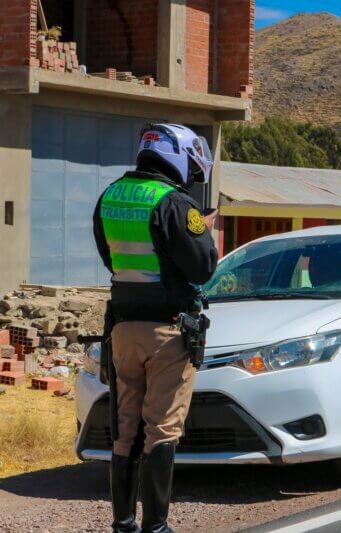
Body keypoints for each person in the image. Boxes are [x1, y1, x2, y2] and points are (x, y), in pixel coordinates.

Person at [93, 123, 218, 532]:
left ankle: (123, 523)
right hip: (166, 331)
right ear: (177, 156)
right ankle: (157, 526)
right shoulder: (177, 205)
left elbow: (112, 260)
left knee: (125, 429)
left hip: (122, 330)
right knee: (161, 430)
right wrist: (206, 229)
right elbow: (203, 266)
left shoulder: (109, 196)